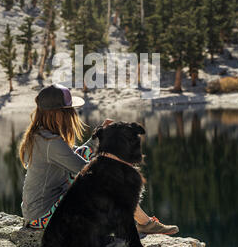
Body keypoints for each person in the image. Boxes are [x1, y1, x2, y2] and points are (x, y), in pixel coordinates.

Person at [20, 84, 179, 235]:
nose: (74, 115)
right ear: (58, 114)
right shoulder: (50, 142)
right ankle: (144, 223)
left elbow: (76, 156)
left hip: (38, 210)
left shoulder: (40, 135)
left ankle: (141, 223)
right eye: (70, 111)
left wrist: (99, 136)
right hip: (43, 216)